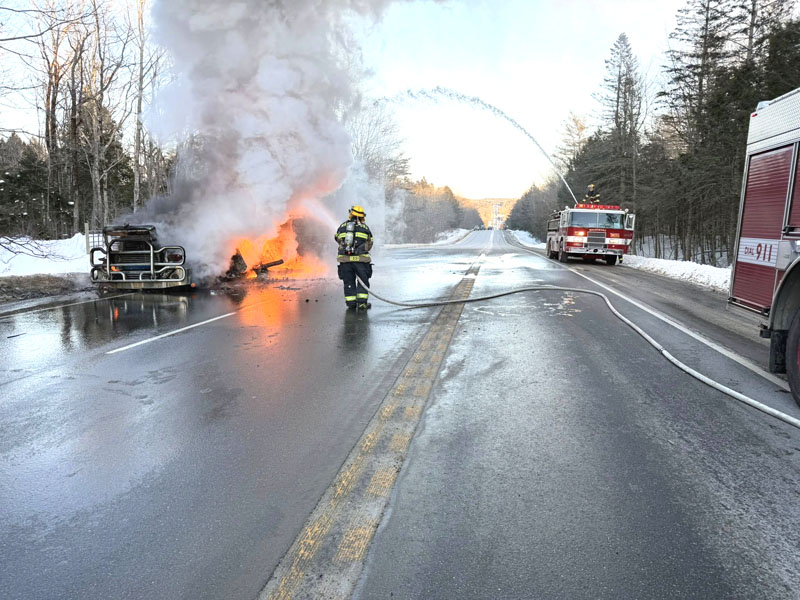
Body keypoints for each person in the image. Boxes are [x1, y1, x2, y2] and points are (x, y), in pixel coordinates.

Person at [335, 205, 373, 309]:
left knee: (348, 282)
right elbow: (370, 243)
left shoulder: (342, 226)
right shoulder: (365, 228)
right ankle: (362, 303)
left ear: (351, 214)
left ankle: (351, 303)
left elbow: (337, 238)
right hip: (361, 261)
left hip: (345, 261)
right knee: (363, 281)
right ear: (362, 216)